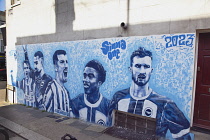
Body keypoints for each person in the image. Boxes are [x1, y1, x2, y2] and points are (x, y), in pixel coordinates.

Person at [109, 47, 191, 139]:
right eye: (138, 66)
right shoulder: (118, 97)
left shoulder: (165, 104)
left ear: (151, 70)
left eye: (146, 67)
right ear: (130, 69)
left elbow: (184, 135)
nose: (142, 71)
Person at [72, 60, 110, 126]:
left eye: (90, 76)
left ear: (99, 83)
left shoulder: (108, 106)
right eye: (84, 76)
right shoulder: (75, 103)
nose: (85, 80)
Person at [43, 50, 72, 117]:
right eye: (62, 62)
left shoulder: (66, 92)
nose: (66, 66)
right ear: (56, 67)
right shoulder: (51, 89)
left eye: (66, 62)